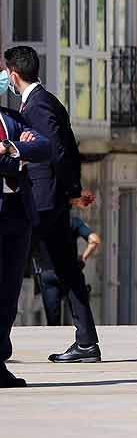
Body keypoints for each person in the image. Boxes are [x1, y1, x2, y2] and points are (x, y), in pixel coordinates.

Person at [6, 46, 101, 364]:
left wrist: (71, 190)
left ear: (14, 75)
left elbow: (58, 151)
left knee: (10, 265)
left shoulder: (37, 106)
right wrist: (71, 191)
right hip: (54, 199)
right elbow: (70, 148)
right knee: (67, 270)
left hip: (42, 200)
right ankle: (87, 342)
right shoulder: (44, 100)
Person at [0, 108, 54, 387]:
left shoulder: (11, 118)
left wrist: (10, 147)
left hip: (17, 213)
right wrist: (18, 160)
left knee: (9, 292)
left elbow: (44, 147)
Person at [31, 203, 98, 327]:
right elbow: (94, 240)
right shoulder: (73, 222)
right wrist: (83, 258)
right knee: (78, 312)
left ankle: (56, 342)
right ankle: (83, 338)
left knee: (53, 320)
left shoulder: (40, 222)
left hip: (47, 272)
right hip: (69, 271)